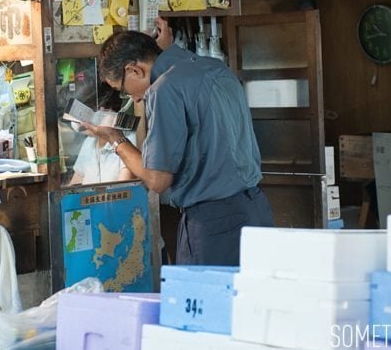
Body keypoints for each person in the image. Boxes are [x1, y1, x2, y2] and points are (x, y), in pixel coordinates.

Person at [82, 17, 275, 266]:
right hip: (256, 210)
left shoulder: (164, 89)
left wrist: (116, 139)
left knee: (207, 303)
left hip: (215, 222)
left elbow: (157, 180)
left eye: (124, 89)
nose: (134, 99)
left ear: (134, 69)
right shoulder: (215, 67)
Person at [68, 88, 136, 186]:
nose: (82, 123)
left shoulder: (128, 140)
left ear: (105, 111)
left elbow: (123, 189)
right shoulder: (89, 142)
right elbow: (75, 185)